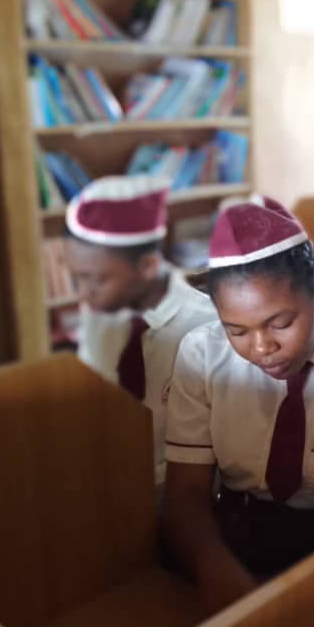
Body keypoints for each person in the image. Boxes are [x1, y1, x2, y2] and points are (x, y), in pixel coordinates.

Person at [161, 197, 314, 613]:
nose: (261, 348)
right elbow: (186, 490)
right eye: (236, 330)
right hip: (235, 530)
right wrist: (213, 565)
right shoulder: (202, 355)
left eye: (281, 324)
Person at [65, 175, 216, 479]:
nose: (83, 294)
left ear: (147, 266)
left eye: (96, 279)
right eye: (76, 278)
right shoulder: (100, 314)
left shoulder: (209, 329)